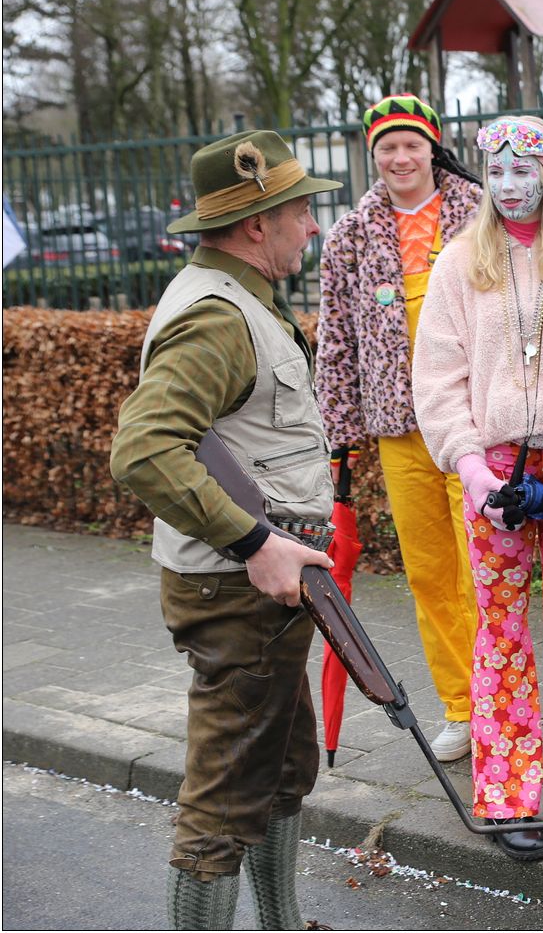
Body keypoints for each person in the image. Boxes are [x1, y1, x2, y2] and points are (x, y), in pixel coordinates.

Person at [109, 130, 343, 929]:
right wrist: (257, 543)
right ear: (256, 222)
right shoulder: (217, 315)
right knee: (225, 800)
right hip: (239, 588)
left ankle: (280, 924)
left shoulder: (238, 293)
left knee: (282, 768)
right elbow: (144, 450)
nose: (312, 225)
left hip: (263, 592)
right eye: (301, 210)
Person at [412, 116, 543, 862]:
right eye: (495, 171)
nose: (508, 185)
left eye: (522, 169)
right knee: (499, 629)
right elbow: (438, 378)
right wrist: (472, 471)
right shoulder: (459, 261)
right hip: (492, 466)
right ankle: (504, 790)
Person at [316, 93, 483, 763]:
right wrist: (340, 430)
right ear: (373, 155)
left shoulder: (481, 215)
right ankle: (462, 708)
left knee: (482, 569)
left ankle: (502, 699)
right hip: (399, 429)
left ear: (432, 148)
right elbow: (335, 338)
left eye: (412, 143)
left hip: (472, 424)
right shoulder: (350, 236)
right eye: (387, 146)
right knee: (430, 575)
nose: (400, 157)